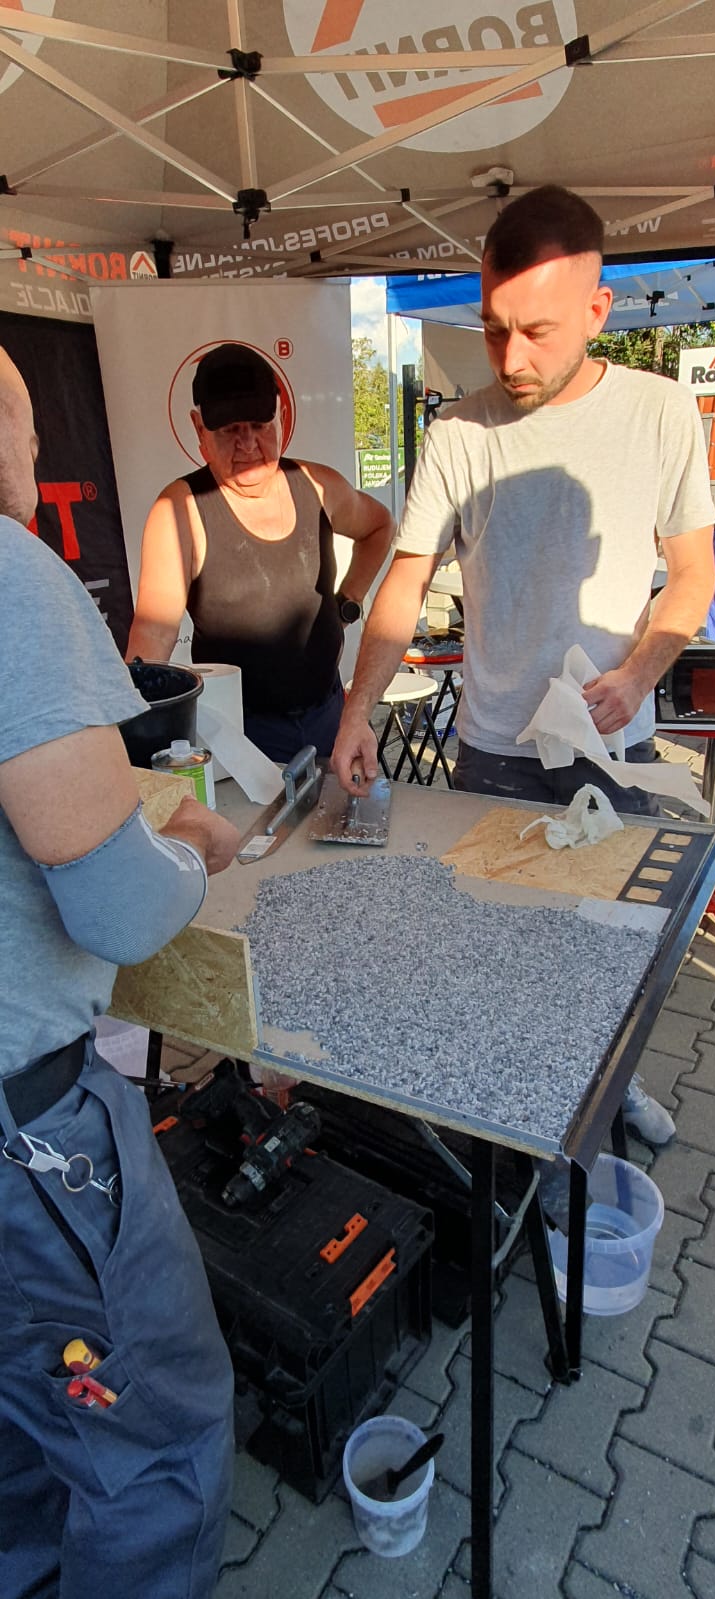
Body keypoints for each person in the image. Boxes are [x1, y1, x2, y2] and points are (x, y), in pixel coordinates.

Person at [332, 185, 715, 1148]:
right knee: (498, 947)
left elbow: (693, 575)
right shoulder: (457, 433)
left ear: (598, 309)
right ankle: (511, 1124)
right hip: (495, 749)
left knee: (609, 947)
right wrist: (357, 710)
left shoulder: (661, 411)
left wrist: (640, 671)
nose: (510, 359)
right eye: (494, 328)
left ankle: (613, 1086)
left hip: (611, 741)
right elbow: (405, 580)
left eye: (536, 332)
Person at [0, 347, 243, 1598]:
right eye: (27, 436)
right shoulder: (8, 575)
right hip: (28, 1145)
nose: (36, 465)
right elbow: (118, 906)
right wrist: (190, 851)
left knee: (24, 1401)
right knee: (150, 1424)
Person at [127, 342, 395, 762]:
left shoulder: (319, 486)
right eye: (229, 430)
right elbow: (154, 633)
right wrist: (132, 733)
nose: (248, 443)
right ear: (199, 430)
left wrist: (348, 602)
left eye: (259, 424)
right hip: (238, 735)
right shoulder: (180, 509)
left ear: (281, 417)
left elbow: (379, 526)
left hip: (328, 715)